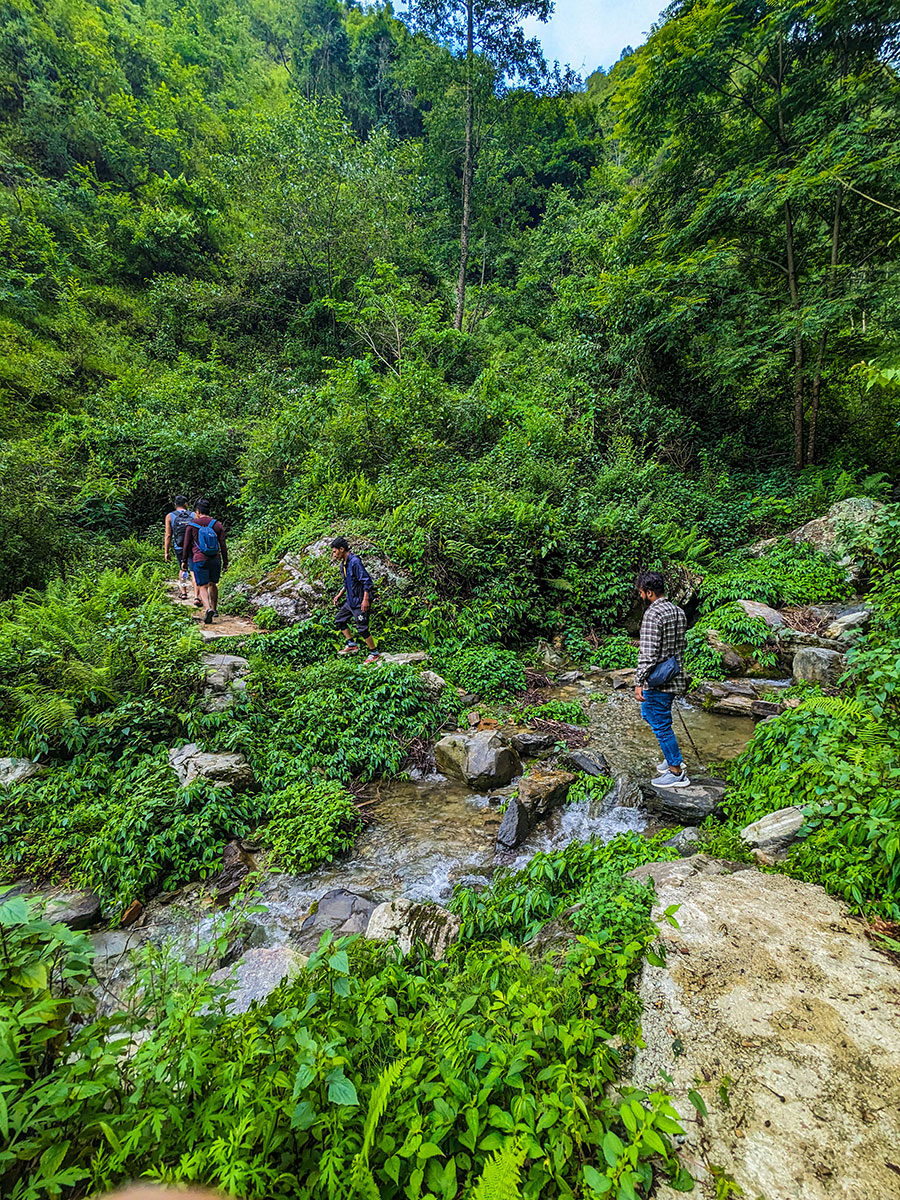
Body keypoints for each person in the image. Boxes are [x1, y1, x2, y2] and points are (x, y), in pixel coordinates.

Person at [634, 570, 691, 788]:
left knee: (660, 724)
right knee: (651, 715)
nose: (641, 596)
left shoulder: (653, 615)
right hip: (674, 676)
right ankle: (671, 755)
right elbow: (681, 645)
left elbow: (648, 654)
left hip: (658, 680)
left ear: (649, 592)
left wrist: (639, 681)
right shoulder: (678, 611)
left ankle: (676, 772)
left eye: (641, 592)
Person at [330, 537, 380, 663]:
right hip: (350, 601)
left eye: (335, 552)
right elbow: (347, 582)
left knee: (362, 628)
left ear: (342, 549)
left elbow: (367, 581)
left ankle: (374, 653)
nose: (334, 555)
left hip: (360, 601)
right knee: (339, 620)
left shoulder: (355, 562)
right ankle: (352, 645)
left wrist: (365, 600)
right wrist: (339, 595)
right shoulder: (344, 564)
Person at [181, 498, 227, 625]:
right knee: (213, 584)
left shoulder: (191, 525)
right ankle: (214, 609)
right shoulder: (217, 525)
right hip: (215, 559)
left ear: (197, 511)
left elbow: (186, 545)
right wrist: (225, 562)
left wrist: (184, 560)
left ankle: (207, 608)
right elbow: (223, 545)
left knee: (202, 586)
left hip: (199, 559)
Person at [164, 495, 196, 602]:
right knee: (193, 570)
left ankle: (184, 593)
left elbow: (168, 535)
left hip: (179, 546)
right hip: (192, 546)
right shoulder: (194, 515)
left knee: (182, 569)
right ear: (186, 504)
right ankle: (197, 596)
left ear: (175, 505)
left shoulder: (170, 516)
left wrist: (166, 552)